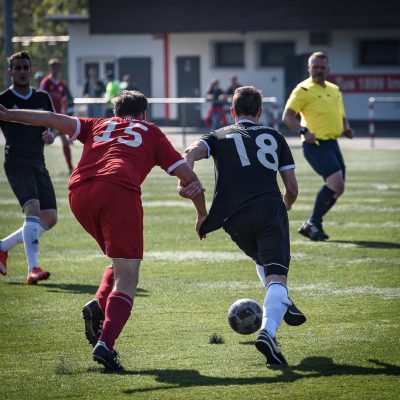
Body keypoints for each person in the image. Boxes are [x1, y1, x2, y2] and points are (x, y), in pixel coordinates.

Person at [0, 90, 207, 372]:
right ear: (144, 113)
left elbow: (50, 118)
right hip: (118, 192)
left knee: (119, 260)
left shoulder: (97, 124)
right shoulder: (151, 130)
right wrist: (200, 212)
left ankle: (99, 305)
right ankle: (105, 344)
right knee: (128, 277)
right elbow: (189, 178)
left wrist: (9, 114)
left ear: (115, 113)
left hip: (79, 193)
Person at [179, 86, 305, 366]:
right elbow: (292, 189)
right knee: (277, 276)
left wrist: (185, 173)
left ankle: (283, 302)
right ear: (259, 112)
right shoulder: (273, 135)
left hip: (232, 218)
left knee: (261, 258)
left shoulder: (218, 135)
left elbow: (191, 151)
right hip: (268, 209)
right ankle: (268, 332)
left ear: (232, 112)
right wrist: (284, 207)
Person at [282, 51, 354, 241]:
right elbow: (287, 117)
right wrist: (304, 131)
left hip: (333, 143)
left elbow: (342, 114)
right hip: (315, 145)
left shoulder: (334, 89)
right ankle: (313, 222)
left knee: (339, 188)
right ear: (309, 68)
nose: (318, 70)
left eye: (322, 67)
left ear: (328, 69)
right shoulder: (303, 89)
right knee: (336, 182)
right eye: (315, 67)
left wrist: (346, 128)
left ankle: (313, 223)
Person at [0, 51, 57, 284]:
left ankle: (3, 247)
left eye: (26, 67)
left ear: (31, 70)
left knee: (50, 217)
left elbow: (55, 125)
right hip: (16, 161)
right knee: (32, 209)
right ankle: (33, 269)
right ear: (10, 72)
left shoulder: (43, 97)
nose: (23, 71)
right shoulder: (3, 99)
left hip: (38, 161)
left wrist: (51, 134)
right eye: (18, 68)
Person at [40, 58, 74, 174]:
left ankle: (70, 167)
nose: (55, 69)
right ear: (49, 68)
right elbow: (41, 98)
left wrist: (64, 114)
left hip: (58, 118)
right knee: (42, 142)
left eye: (57, 67)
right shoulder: (46, 82)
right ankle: (39, 167)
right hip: (48, 118)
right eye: (53, 67)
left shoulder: (61, 84)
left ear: (59, 69)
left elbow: (63, 100)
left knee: (65, 142)